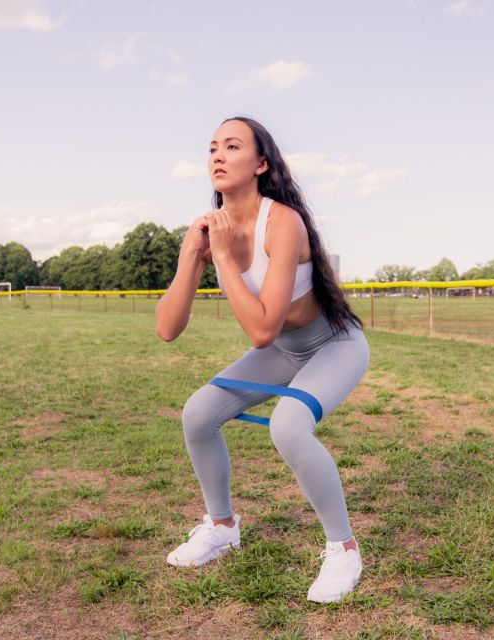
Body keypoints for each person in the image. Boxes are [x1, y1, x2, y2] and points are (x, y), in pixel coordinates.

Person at [154, 116, 370, 603]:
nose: (217, 155)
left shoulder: (284, 222)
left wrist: (226, 259)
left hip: (334, 344)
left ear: (261, 163)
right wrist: (192, 255)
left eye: (232, 146)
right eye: (212, 148)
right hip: (284, 352)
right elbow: (167, 328)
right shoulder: (211, 229)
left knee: (288, 426)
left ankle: (344, 549)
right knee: (197, 415)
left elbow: (261, 329)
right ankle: (223, 527)